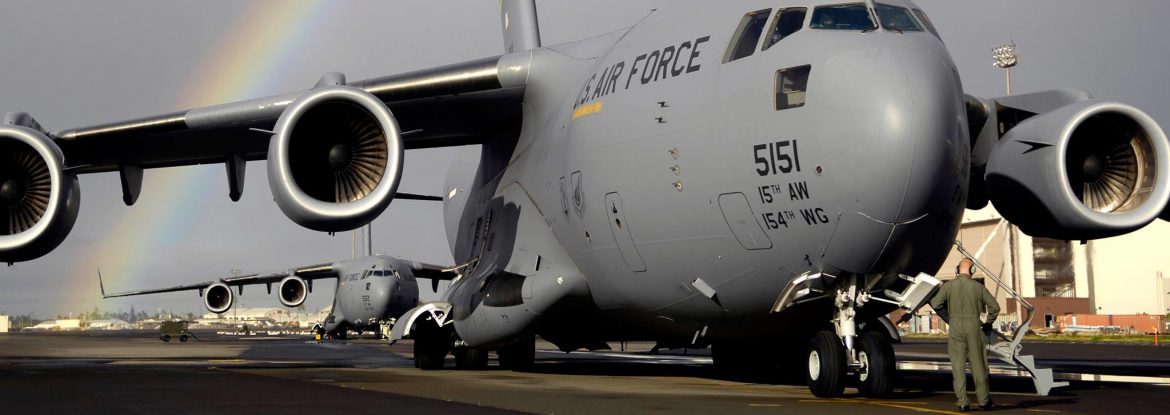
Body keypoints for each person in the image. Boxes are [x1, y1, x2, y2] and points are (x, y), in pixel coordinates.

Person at [930, 258, 1001, 412]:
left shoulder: (948, 286)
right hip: (974, 327)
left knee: (958, 366)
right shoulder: (978, 287)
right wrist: (988, 323)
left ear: (957, 270)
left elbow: (935, 304)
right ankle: (983, 401)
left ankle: (963, 402)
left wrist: (950, 317)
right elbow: (995, 307)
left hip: (955, 327)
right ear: (972, 270)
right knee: (979, 365)